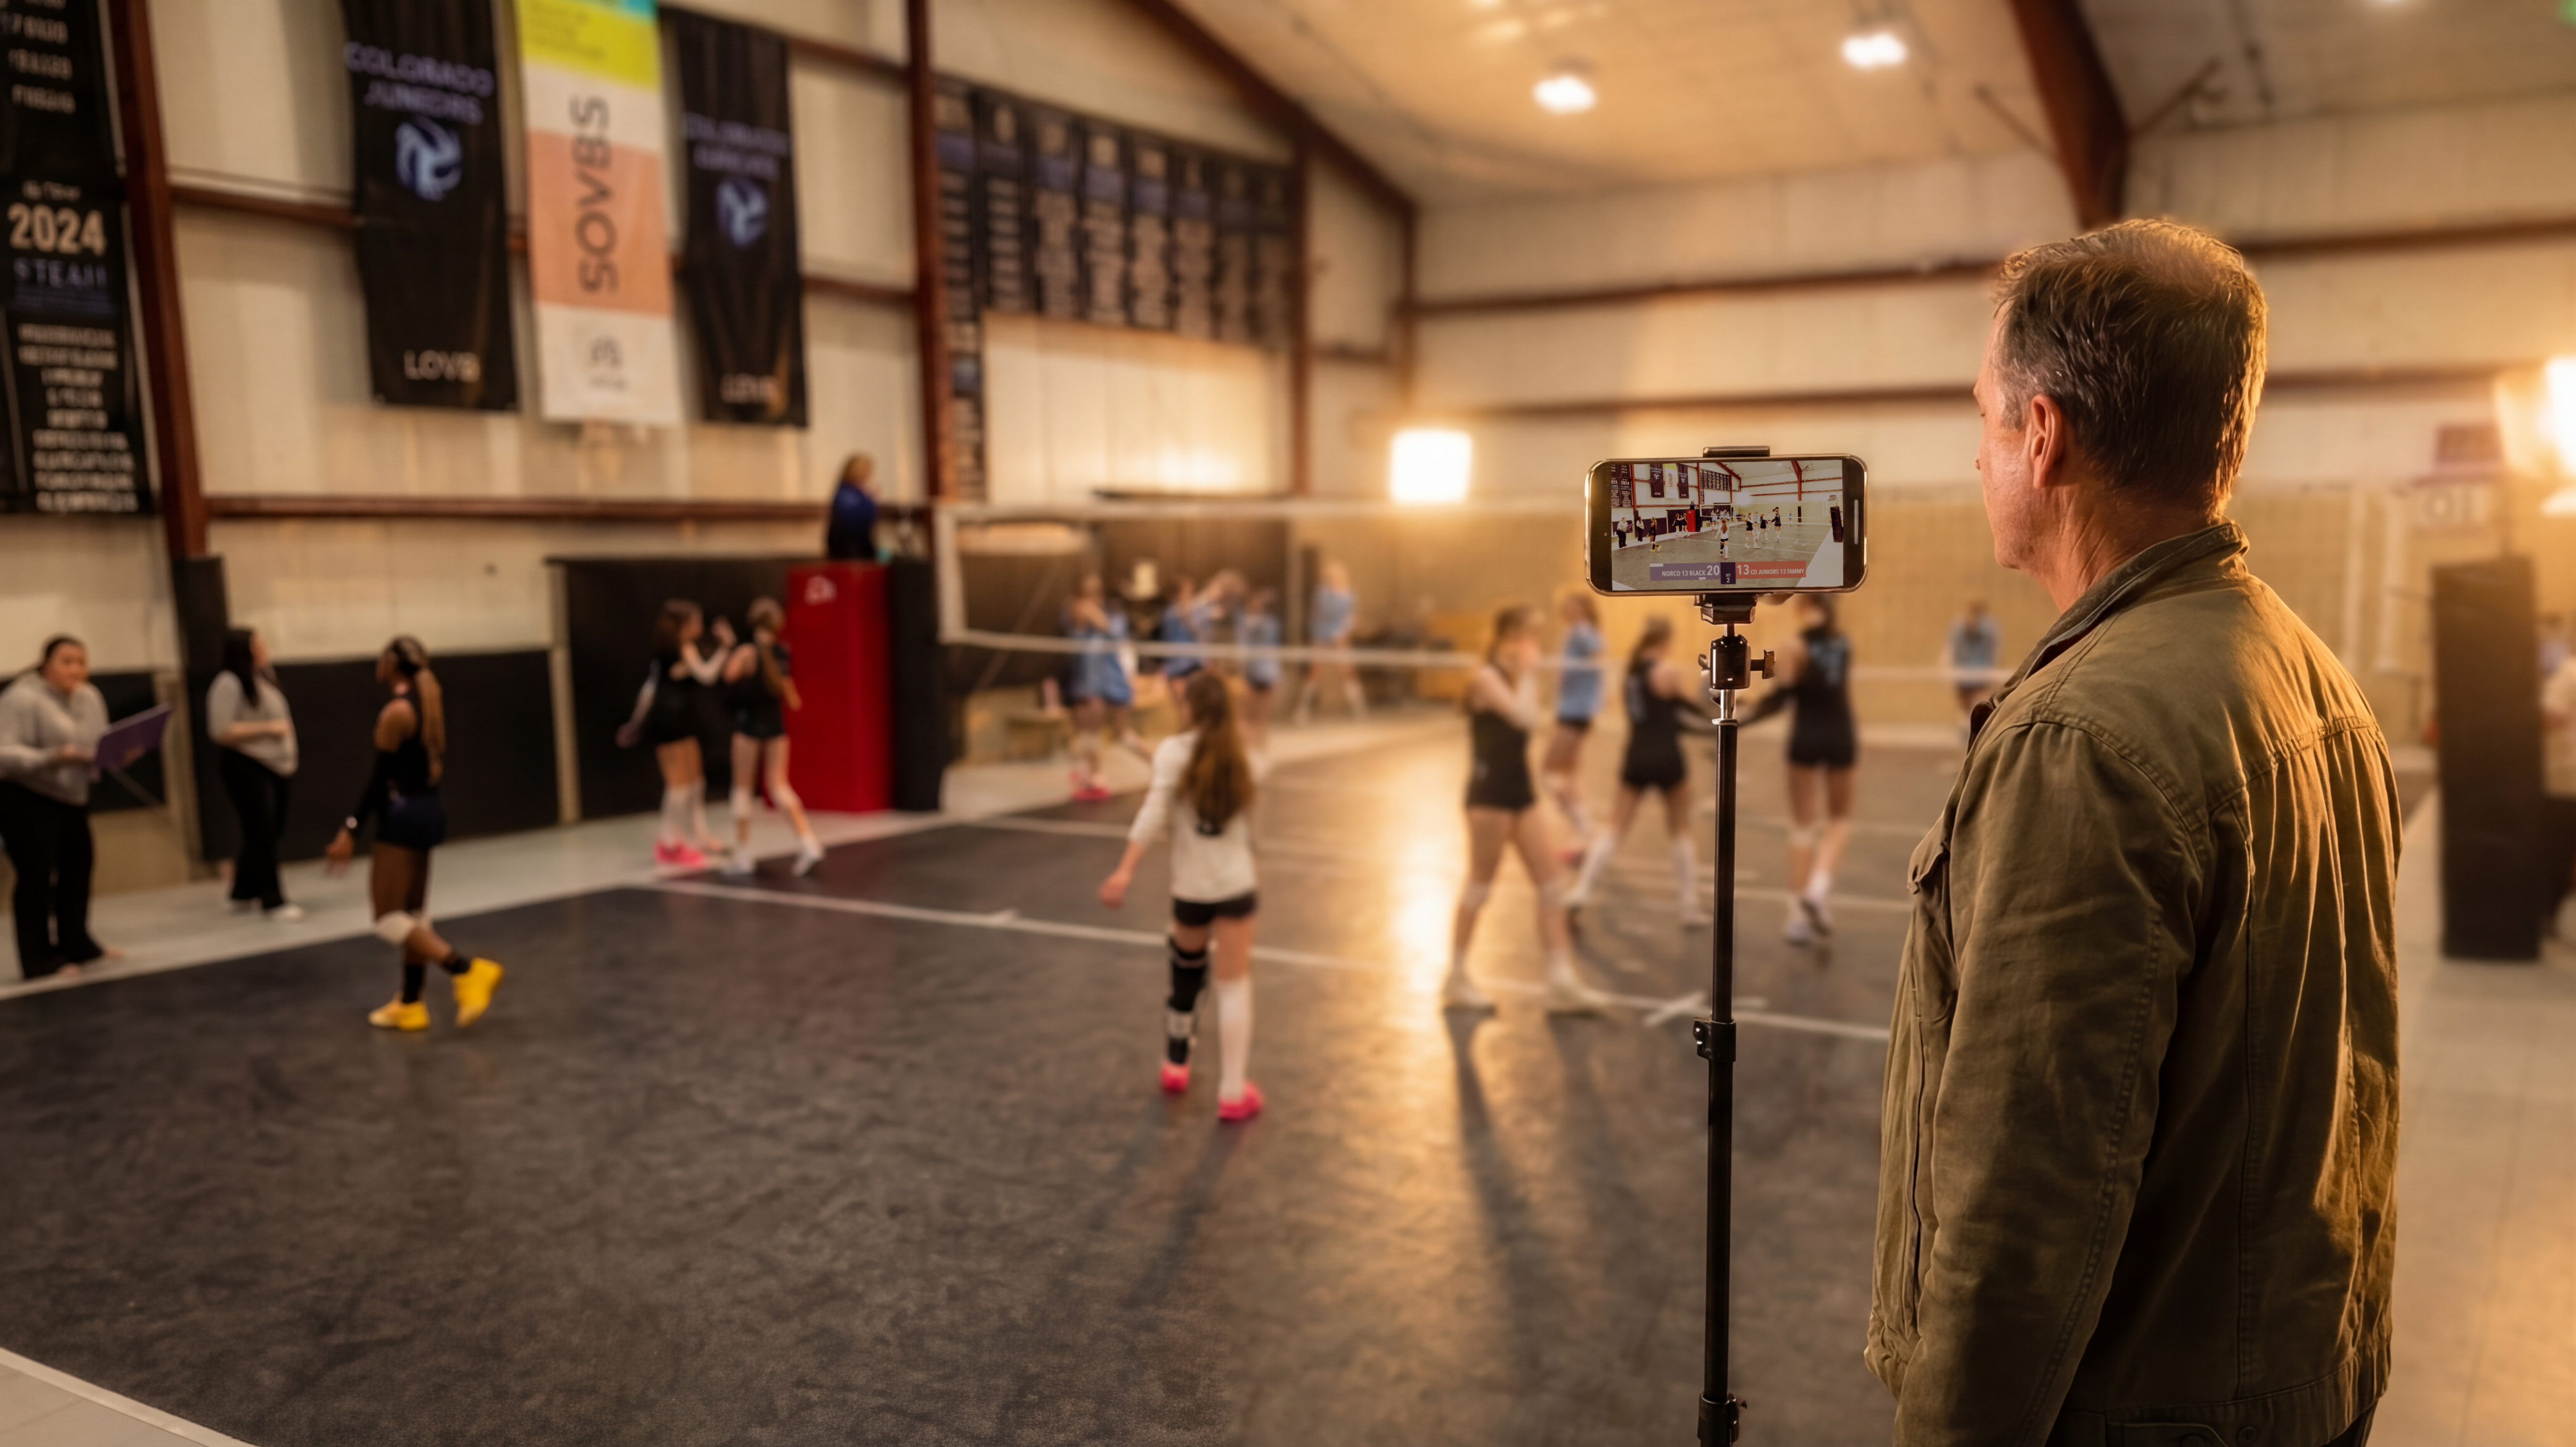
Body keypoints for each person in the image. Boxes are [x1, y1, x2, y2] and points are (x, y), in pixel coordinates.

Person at [1869, 220, 2399, 1447]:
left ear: (2041, 438)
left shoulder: (2080, 741)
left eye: (1984, 421)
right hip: (2301, 1377)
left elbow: (2025, 1191)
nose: (1977, 456)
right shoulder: (2311, 677)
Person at [1098, 670, 1267, 1122]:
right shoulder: (1246, 754)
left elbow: (1153, 814)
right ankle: (1233, 1093)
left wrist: (1124, 872)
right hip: (1234, 885)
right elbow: (1254, 821)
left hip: (1192, 888)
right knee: (1234, 987)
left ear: (1189, 708)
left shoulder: (1173, 753)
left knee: (1185, 974)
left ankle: (1176, 1063)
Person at [1441, 605, 1615, 1015]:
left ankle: (1561, 981)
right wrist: (1531, 674)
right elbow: (1520, 717)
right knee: (1481, 885)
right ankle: (1456, 976)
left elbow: (1534, 719)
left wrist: (1528, 675)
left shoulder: (1518, 677)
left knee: (1551, 884)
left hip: (1521, 792)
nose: (1533, 644)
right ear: (1509, 636)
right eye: (1528, 635)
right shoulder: (1485, 678)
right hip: (1489, 796)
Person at [325, 637, 504, 1032]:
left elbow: (378, 779)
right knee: (415, 916)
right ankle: (411, 1001)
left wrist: (350, 829)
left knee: (389, 919)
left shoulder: (398, 712)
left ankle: (466, 970)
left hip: (402, 818)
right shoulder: (430, 703)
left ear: (392, 664)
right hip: (429, 811)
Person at [1568, 614, 1710, 925]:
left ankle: (1581, 891)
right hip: (1668, 757)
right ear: (1665, 641)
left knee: (1614, 828)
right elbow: (1689, 713)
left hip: (1636, 756)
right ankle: (1688, 905)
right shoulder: (1667, 672)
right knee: (1680, 829)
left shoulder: (1631, 673)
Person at [1744, 594, 1855, 944]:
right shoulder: (1844, 643)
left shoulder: (1792, 647)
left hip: (1805, 737)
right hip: (1840, 733)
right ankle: (1818, 890)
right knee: (1839, 820)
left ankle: (1796, 916)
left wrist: (1746, 712)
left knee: (1802, 826)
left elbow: (1781, 696)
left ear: (1804, 607)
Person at [0, 637, 112, 981]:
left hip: (73, 795)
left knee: (78, 868)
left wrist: (116, 754)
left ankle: (77, 942)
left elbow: (100, 741)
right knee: (36, 876)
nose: (75, 669)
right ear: (46, 664)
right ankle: (38, 958)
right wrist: (51, 757)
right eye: (67, 662)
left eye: (81, 661)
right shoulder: (21, 698)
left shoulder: (90, 696)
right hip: (27, 796)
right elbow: (4, 752)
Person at [619, 600, 729, 868]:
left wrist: (636, 721)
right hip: (671, 723)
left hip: (683, 721)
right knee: (679, 785)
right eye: (697, 622)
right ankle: (669, 843)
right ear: (686, 626)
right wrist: (724, 647)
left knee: (695, 782)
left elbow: (649, 689)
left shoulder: (670, 653)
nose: (700, 627)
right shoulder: (679, 651)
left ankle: (696, 837)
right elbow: (708, 675)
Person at [720, 598, 823, 878]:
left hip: (749, 727)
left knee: (742, 789)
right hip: (776, 728)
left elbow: (728, 675)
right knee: (779, 786)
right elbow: (794, 699)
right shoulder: (782, 653)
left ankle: (743, 854)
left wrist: (730, 647)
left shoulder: (747, 653)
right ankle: (809, 843)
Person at [206, 627, 302, 921]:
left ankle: (243, 890)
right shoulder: (229, 682)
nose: (263, 650)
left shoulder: (262, 678)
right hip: (246, 764)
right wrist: (268, 729)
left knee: (266, 830)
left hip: (274, 764)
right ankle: (272, 899)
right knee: (260, 831)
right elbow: (221, 730)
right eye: (255, 646)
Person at [1063, 575, 1141, 801]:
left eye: (1096, 592)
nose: (1093, 598)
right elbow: (1082, 628)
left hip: (1108, 683)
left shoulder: (1111, 619)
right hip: (1084, 683)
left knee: (1119, 733)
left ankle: (1152, 762)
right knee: (1086, 731)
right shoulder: (1078, 617)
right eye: (1088, 592)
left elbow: (1112, 632)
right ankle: (1091, 775)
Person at [1540, 591, 1605, 852]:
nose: (1570, 611)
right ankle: (1584, 830)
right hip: (1568, 710)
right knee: (1569, 773)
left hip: (1576, 713)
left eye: (1576, 607)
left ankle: (1584, 827)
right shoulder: (1571, 634)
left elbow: (1597, 654)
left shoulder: (1583, 632)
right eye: (1567, 607)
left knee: (1549, 772)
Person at [1294, 561, 1365, 724]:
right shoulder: (1322, 594)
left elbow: (1351, 618)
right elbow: (1317, 615)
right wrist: (1319, 637)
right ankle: (1303, 710)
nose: (1334, 579)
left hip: (1340, 636)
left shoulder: (1350, 594)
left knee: (1347, 671)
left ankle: (1359, 709)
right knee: (1314, 673)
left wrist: (1343, 633)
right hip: (1321, 635)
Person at [2542, 651, 2576, 938]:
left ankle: (2546, 916)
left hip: (2567, 780)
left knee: (2557, 851)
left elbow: (2552, 716)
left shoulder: (2569, 673)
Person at [1944, 598, 2003, 735]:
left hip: (1982, 673)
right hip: (1964, 674)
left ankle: (1976, 730)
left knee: (1978, 703)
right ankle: (1965, 729)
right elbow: (1953, 649)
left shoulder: (1989, 629)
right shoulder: (1959, 628)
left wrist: (1993, 673)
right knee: (1965, 705)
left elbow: (1994, 651)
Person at [1238, 587, 1283, 741]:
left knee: (1263, 716)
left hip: (1267, 673)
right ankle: (1249, 747)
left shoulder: (1271, 623)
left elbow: (1272, 643)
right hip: (1249, 672)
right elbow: (1243, 645)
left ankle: (1259, 748)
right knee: (1246, 714)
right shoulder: (1244, 622)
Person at [824, 453, 880, 561]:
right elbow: (855, 519)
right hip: (850, 549)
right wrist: (869, 499)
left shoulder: (856, 492)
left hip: (858, 546)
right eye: (866, 470)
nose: (868, 474)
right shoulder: (847, 494)